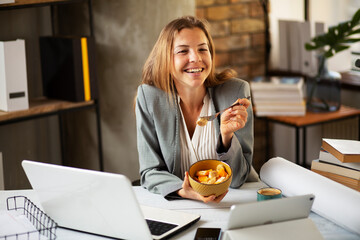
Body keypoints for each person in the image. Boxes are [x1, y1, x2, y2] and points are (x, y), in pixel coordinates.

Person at [135, 16, 254, 203]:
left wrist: (226, 138)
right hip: (180, 207)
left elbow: (239, 178)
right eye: (183, 51)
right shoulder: (149, 98)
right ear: (166, 59)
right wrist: (184, 191)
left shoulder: (235, 93)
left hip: (232, 203)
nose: (196, 58)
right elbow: (150, 171)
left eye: (202, 49)